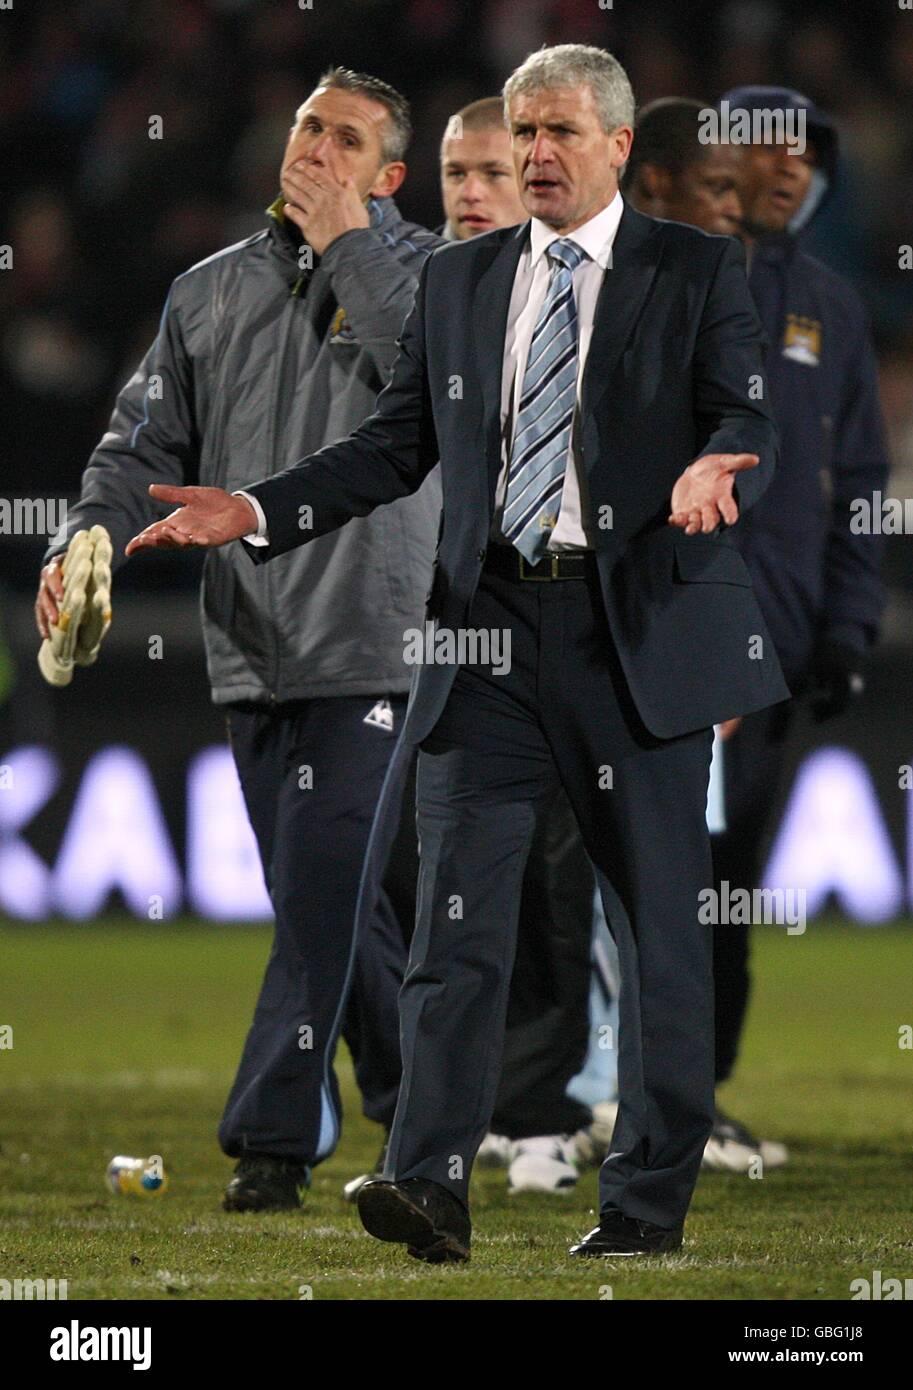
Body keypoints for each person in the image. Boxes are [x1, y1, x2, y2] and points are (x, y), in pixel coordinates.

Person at [125, 43, 789, 1261]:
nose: (536, 154)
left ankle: (643, 1205)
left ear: (617, 149)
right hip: (484, 636)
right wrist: (258, 508)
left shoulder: (693, 268)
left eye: (559, 135)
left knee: (656, 937)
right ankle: (427, 1178)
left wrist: (715, 457)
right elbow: (395, 447)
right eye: (523, 132)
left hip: (633, 634)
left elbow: (743, 407)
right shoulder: (465, 281)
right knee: (452, 921)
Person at [35, 67, 442, 1214]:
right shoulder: (207, 292)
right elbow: (135, 446)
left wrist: (349, 247)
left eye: (348, 138)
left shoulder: (432, 276)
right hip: (248, 641)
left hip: (375, 633)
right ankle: (424, 1093)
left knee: (318, 883)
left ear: (389, 177)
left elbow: (441, 383)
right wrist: (83, 539)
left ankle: (271, 1141)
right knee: (335, 895)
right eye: (309, 125)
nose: (315, 147)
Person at [704, 86, 888, 1163]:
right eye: (764, 150)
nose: (787, 170)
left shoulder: (832, 302)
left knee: (727, 889)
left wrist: (848, 628)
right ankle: (575, 1091)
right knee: (632, 882)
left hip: (774, 650)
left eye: (804, 154)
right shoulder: (666, 279)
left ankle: (693, 1093)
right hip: (667, 642)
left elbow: (859, 479)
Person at [440, 95, 601, 1196]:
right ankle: (448, 1108)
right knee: (438, 889)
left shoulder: (587, 291)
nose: (470, 192)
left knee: (557, 876)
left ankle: (543, 1103)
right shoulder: (432, 295)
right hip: (431, 639)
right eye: (454, 173)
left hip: (562, 622)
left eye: (490, 172)